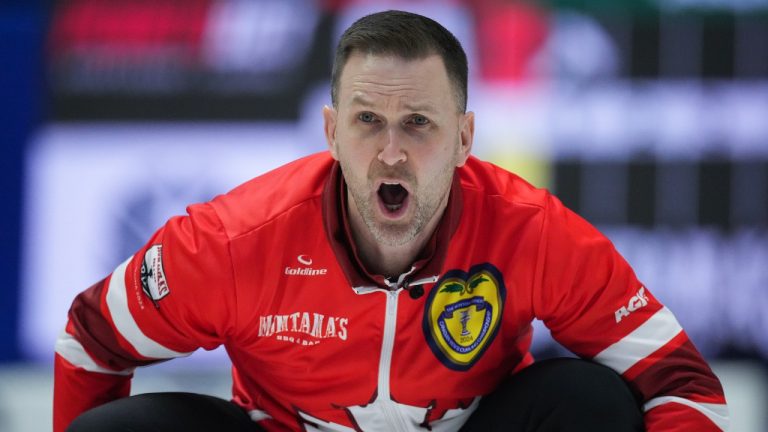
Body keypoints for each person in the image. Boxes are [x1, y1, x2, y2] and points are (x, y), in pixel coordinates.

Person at [54, 10, 729, 432]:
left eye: (419, 124)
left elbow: (681, 384)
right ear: (331, 131)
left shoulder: (534, 233)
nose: (392, 152)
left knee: (592, 402)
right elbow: (91, 340)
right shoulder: (231, 243)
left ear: (466, 138)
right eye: (368, 121)